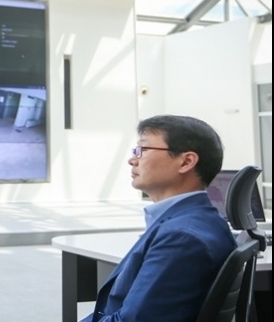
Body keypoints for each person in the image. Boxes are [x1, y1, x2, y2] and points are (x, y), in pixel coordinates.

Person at [80, 115, 236, 322]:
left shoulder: (182, 237)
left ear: (186, 162)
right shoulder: (196, 222)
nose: (132, 159)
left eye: (142, 150)